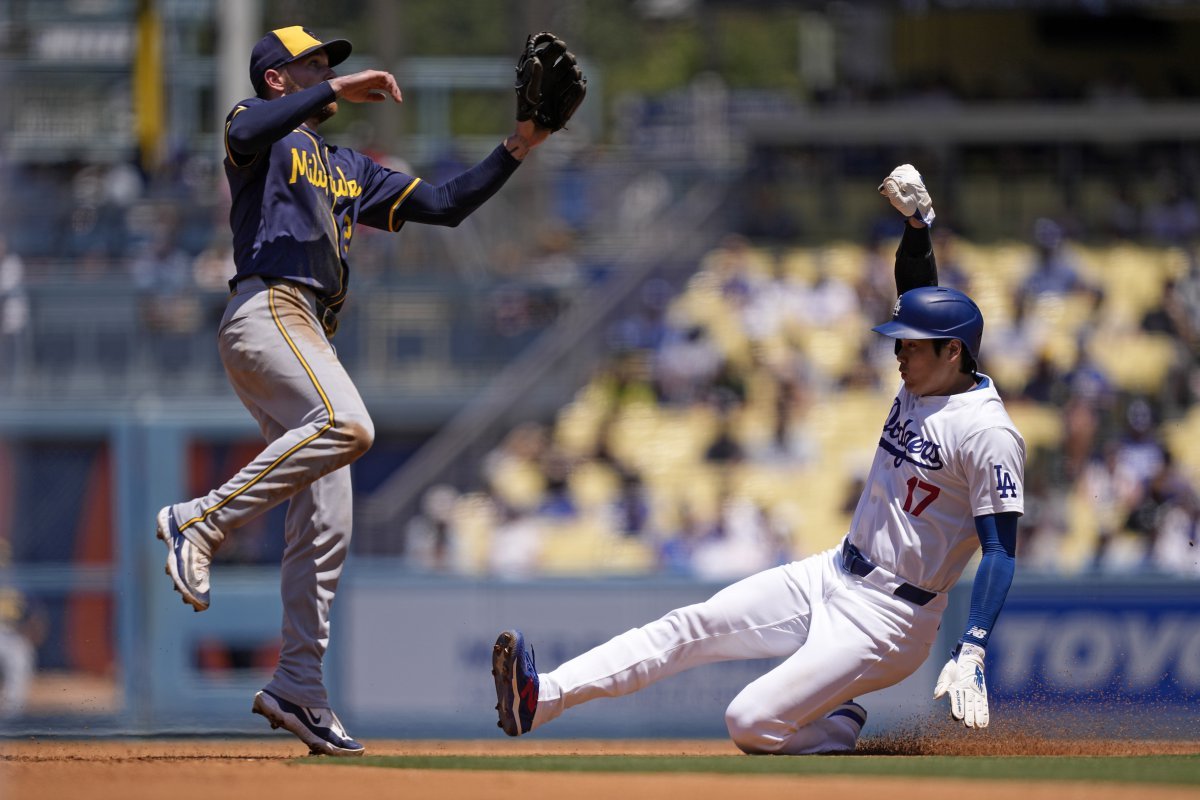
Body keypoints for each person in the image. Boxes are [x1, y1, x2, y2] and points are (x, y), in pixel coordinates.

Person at [491, 164, 1026, 753]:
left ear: (954, 352)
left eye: (912, 345)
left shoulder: (988, 432)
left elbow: (1000, 549)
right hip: (833, 570)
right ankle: (541, 699)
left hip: (892, 620)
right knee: (689, 627)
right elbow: (918, 295)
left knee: (748, 722)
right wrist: (918, 228)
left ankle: (834, 728)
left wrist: (972, 645)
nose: (899, 352)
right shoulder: (923, 379)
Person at [155, 25, 557, 757]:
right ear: (278, 79)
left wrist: (520, 142)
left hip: (303, 329)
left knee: (327, 516)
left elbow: (443, 204)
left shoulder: (345, 165)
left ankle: (299, 687)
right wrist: (336, 88)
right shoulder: (262, 133)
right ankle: (201, 522)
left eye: (328, 65)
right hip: (270, 307)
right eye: (310, 63)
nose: (325, 71)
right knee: (349, 422)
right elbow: (244, 124)